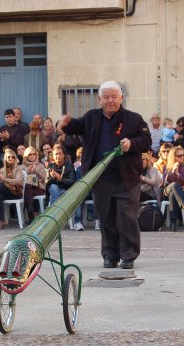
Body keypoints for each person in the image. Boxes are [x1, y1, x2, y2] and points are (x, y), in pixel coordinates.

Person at [61, 80, 151, 270]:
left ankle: (128, 256)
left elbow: (146, 140)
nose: (110, 101)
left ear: (121, 98)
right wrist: (65, 124)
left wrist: (131, 144)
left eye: (114, 97)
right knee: (106, 219)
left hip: (126, 178)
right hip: (100, 178)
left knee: (127, 218)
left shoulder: (134, 119)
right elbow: (74, 126)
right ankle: (111, 255)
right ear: (99, 99)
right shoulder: (91, 117)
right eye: (106, 97)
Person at [163, 145, 184, 231]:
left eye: (183, 155)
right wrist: (173, 172)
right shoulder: (167, 167)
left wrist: (179, 175)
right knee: (174, 185)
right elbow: (165, 183)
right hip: (166, 191)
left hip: (181, 191)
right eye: (179, 156)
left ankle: (173, 223)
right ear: (173, 157)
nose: (182, 157)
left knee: (173, 193)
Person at [22, 146, 46, 223]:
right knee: (28, 186)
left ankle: (30, 211)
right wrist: (28, 173)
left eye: (34, 154)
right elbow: (21, 180)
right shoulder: (22, 166)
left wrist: (36, 171)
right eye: (30, 154)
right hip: (27, 188)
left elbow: (44, 179)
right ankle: (30, 208)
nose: (32, 156)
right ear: (26, 156)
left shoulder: (40, 165)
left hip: (39, 187)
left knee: (27, 189)